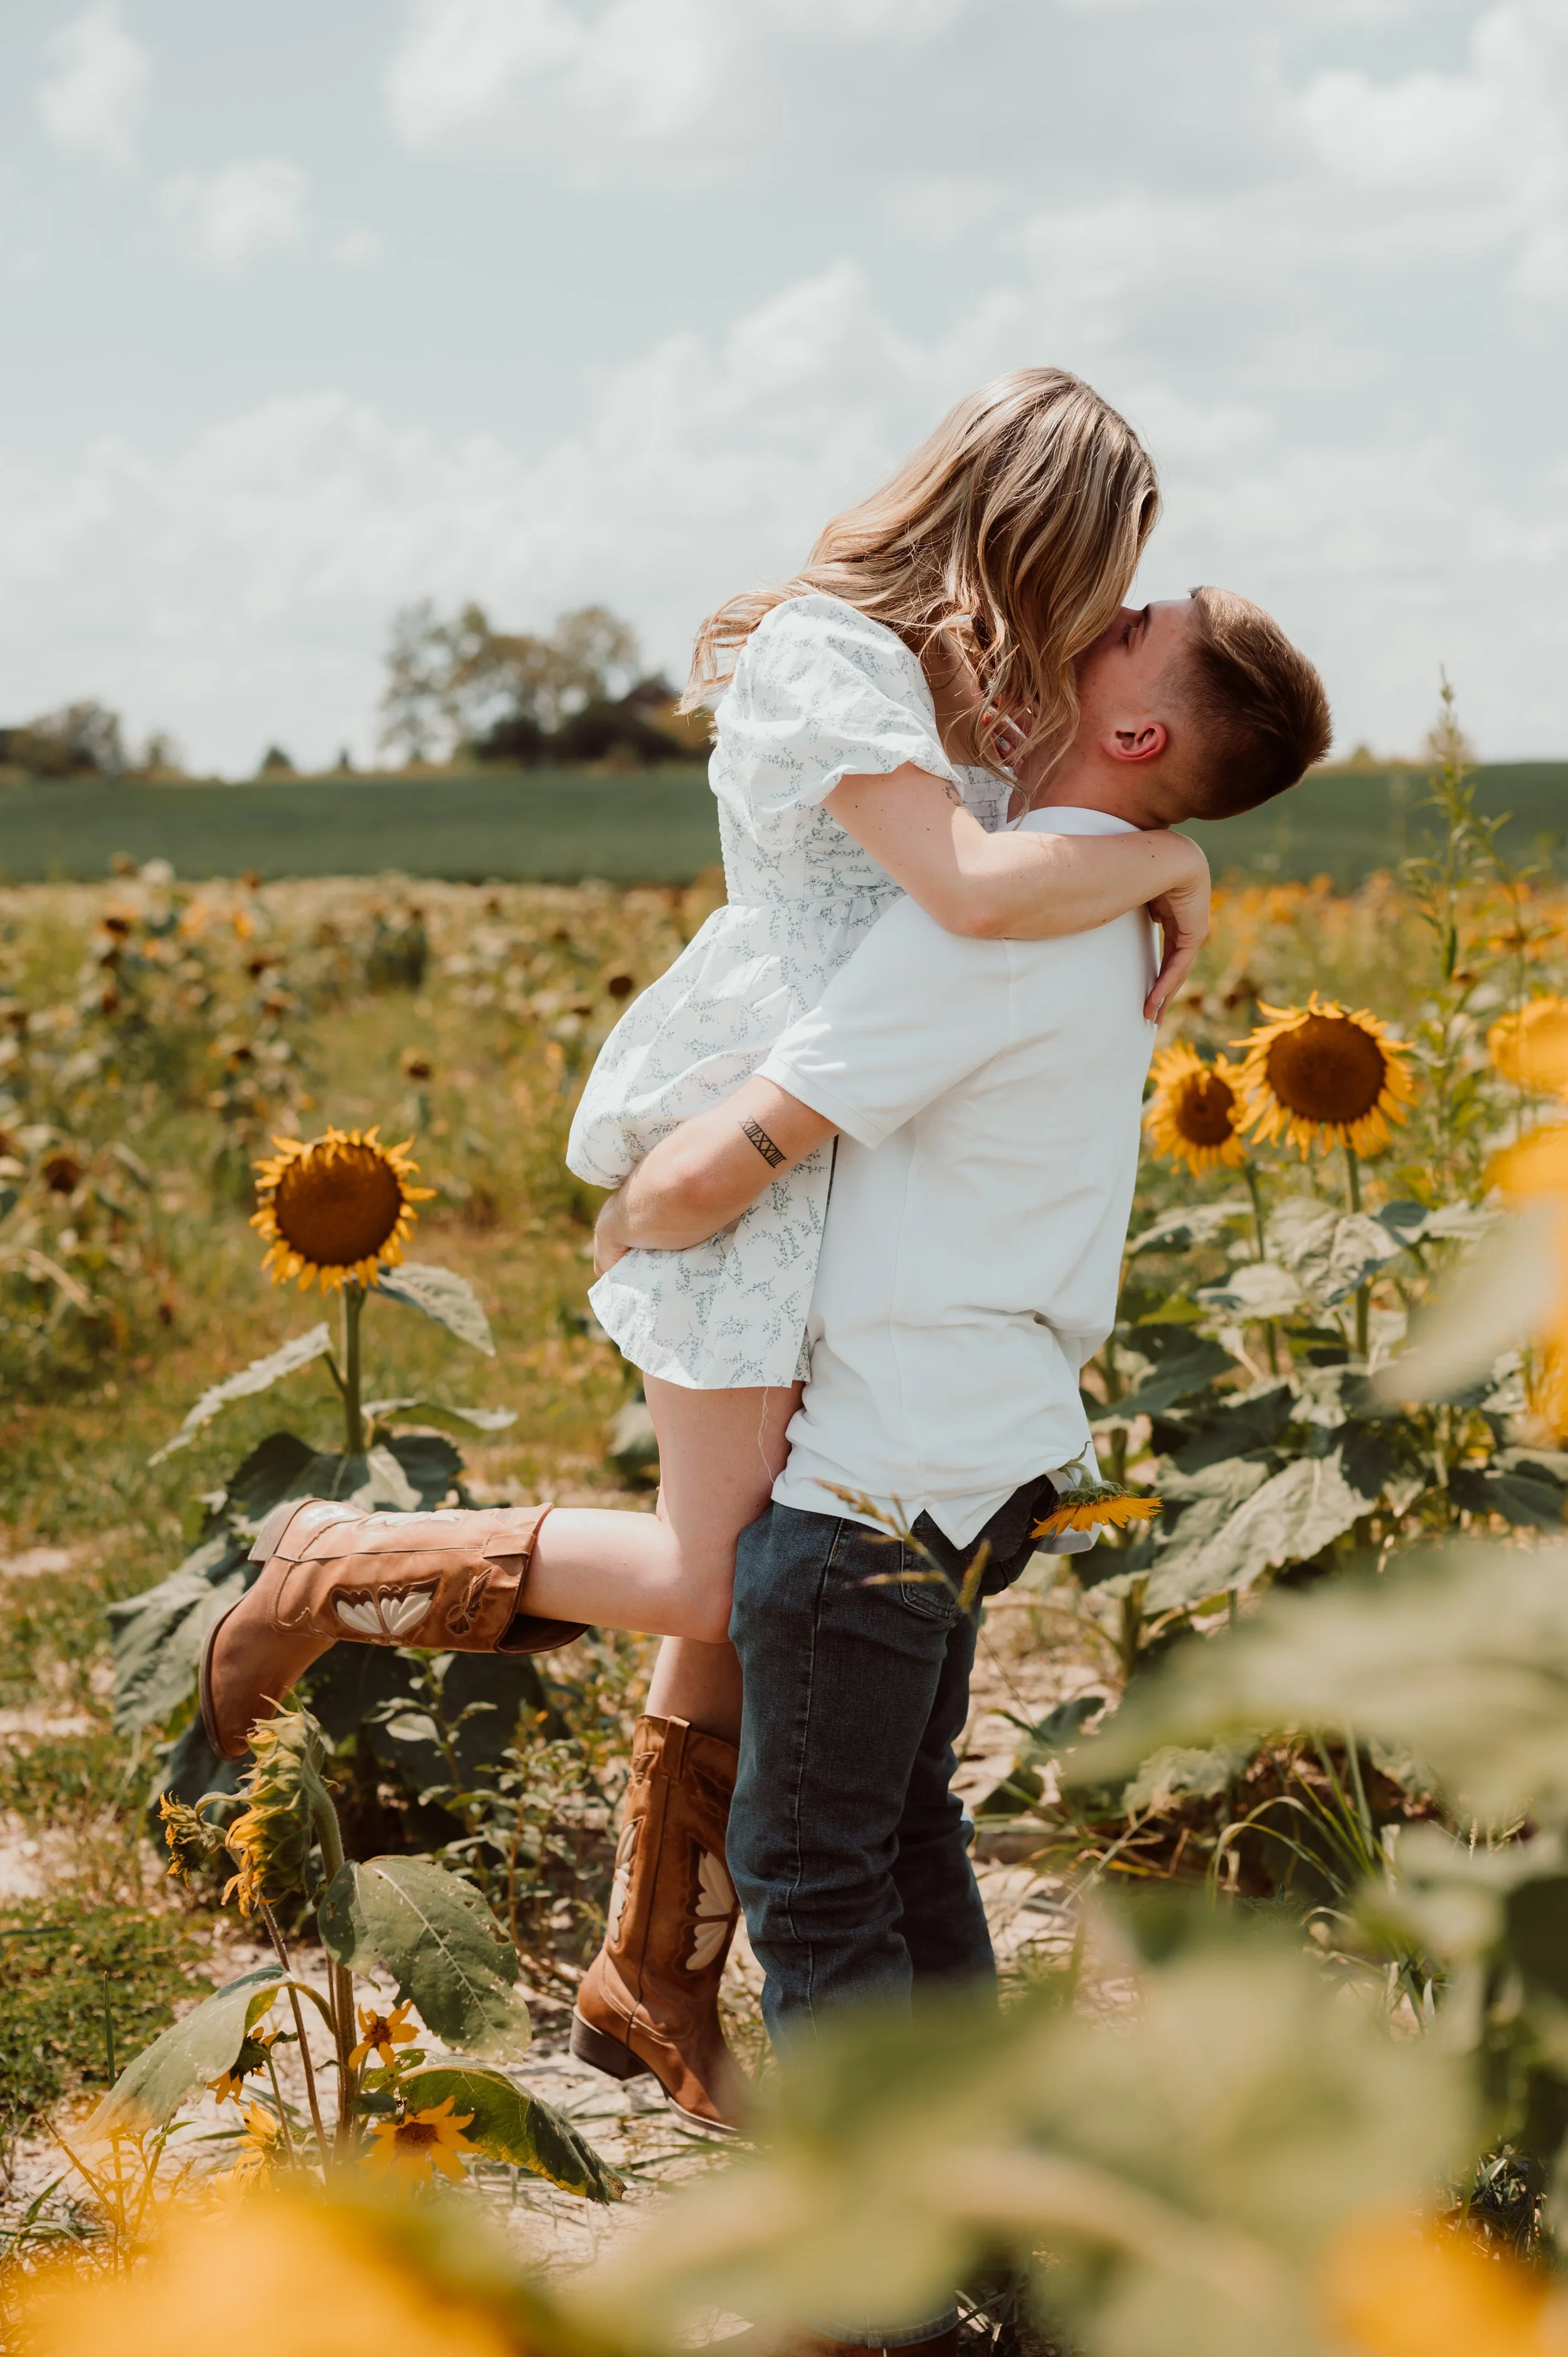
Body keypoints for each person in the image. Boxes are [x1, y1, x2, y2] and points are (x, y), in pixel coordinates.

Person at [201, 583, 1329, 2154]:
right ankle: (909, 2171)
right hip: (986, 1456)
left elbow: (743, 1146)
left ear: (1133, 729)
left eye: (1137, 614)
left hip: (882, 1474)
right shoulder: (1093, 902)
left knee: (813, 1856)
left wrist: (635, 1214)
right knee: (892, 1827)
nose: (1109, 601)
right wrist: (1171, 849)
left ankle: (880, 2269)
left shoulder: (998, 923)